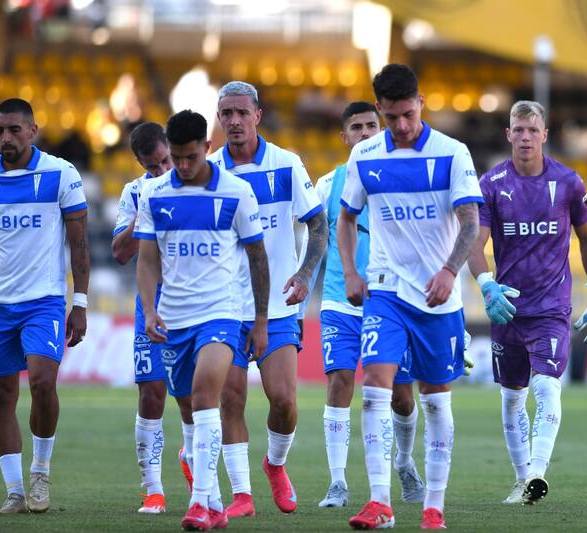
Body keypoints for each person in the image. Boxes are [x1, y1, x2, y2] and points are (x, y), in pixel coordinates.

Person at [338, 64, 482, 530]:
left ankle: (433, 507)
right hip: (386, 289)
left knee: (436, 400)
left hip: (439, 299)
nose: (401, 125)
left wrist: (449, 270)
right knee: (375, 386)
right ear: (379, 109)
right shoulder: (364, 155)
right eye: (392, 116)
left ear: (421, 102)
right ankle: (379, 501)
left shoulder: (451, 153)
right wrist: (351, 272)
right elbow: (345, 217)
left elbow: (471, 223)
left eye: (408, 113)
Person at [467, 100, 587, 505]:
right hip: (506, 306)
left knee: (547, 387)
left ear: (545, 135)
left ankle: (537, 473)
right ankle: (520, 479)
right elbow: (475, 242)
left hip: (551, 307)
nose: (525, 137)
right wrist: (487, 285)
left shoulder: (568, 182)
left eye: (533, 130)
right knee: (511, 397)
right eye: (518, 129)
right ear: (508, 134)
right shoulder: (491, 184)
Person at [134, 110, 269, 530]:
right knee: (189, 409)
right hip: (174, 319)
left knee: (206, 395)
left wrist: (260, 319)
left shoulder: (237, 191)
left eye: (191, 156)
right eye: (177, 157)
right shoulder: (154, 193)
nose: (184, 165)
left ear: (207, 148)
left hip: (222, 313)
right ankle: (212, 504)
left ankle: (197, 503)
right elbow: (147, 260)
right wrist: (150, 310)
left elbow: (258, 257)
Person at [208, 81, 327, 518]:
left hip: (277, 305)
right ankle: (242, 495)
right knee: (231, 399)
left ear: (258, 115)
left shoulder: (286, 165)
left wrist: (305, 272)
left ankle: (275, 464)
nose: (234, 121)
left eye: (242, 112)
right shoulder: (208, 171)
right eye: (226, 114)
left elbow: (318, 224)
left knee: (284, 401)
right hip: (223, 306)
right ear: (218, 119)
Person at [312, 101, 426, 509]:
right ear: (344, 136)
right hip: (340, 301)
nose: (365, 133)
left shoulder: (400, 180)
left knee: (401, 396)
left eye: (371, 126)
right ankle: (338, 482)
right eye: (356, 127)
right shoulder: (327, 185)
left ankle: (405, 461)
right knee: (340, 382)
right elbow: (314, 238)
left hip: (394, 301)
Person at [0, 98, 89, 514]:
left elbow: (79, 243)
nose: (5, 138)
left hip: (43, 301)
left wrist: (79, 302)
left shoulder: (60, 173)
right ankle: (14, 491)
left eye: (13, 130)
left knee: (43, 382)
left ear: (33, 131)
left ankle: (40, 471)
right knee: (2, 393)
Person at [112, 121, 193, 513]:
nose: (162, 171)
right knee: (151, 392)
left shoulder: (200, 180)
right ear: (140, 164)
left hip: (195, 300)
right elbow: (120, 252)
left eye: (166, 161)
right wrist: (145, 208)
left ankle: (193, 460)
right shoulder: (134, 192)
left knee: (194, 396)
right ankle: (153, 489)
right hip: (153, 301)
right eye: (152, 166)